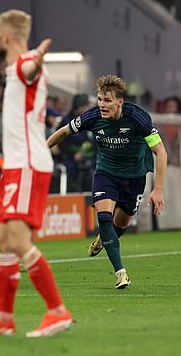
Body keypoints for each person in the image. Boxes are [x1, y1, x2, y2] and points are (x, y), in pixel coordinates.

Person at [0, 9, 72, 338]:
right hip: (16, 165)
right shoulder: (13, 68)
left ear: (7, 36)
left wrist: (38, 58)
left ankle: (57, 311)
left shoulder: (25, 63)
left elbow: (31, 68)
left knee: (18, 240)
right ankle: (3, 318)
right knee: (2, 241)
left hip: (27, 163)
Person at [47, 75, 167, 289]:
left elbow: (160, 151)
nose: (102, 104)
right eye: (100, 99)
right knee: (104, 218)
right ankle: (121, 273)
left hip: (134, 176)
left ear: (120, 101)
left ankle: (104, 238)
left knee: (121, 224)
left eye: (108, 100)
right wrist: (38, 153)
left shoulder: (138, 118)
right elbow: (64, 131)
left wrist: (157, 189)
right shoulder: (92, 117)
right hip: (106, 172)